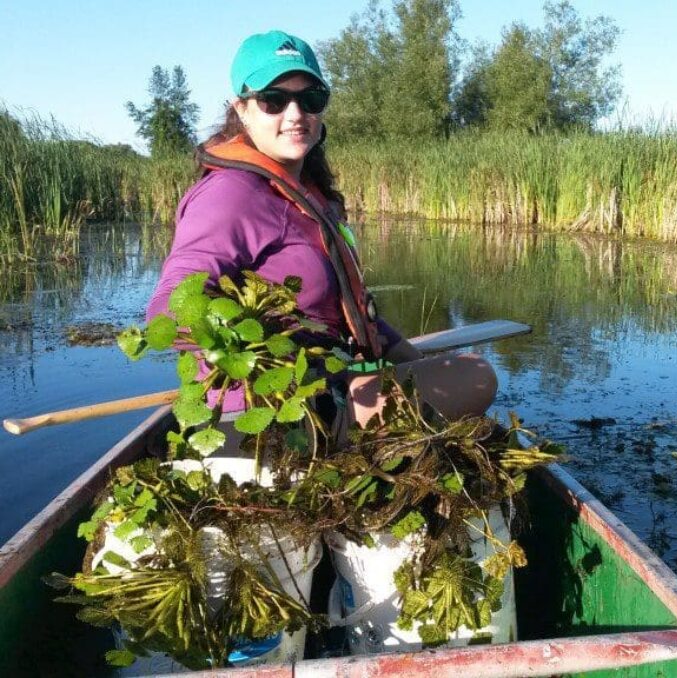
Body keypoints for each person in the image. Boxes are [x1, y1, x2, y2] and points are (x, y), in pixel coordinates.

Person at [147, 30, 496, 432]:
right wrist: (261, 355)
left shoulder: (305, 193)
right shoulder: (230, 194)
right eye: (273, 100)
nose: (295, 114)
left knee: (457, 370)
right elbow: (169, 310)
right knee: (478, 374)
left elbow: (342, 305)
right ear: (241, 109)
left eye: (310, 99)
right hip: (271, 413)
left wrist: (407, 355)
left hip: (331, 387)